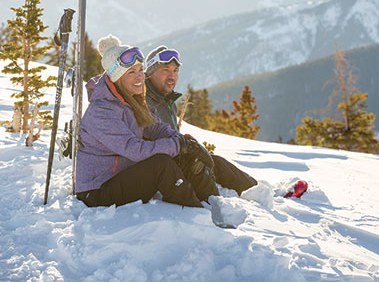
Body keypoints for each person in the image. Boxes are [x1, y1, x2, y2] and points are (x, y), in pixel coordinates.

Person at [75, 35, 218, 208]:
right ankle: (197, 215)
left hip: (122, 175)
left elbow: (155, 127)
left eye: (140, 70)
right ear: (117, 77)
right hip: (97, 190)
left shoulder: (128, 100)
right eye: (131, 72)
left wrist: (184, 142)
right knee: (161, 165)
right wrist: (178, 145)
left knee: (184, 158)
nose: (139, 77)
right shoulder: (102, 112)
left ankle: (215, 204)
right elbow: (135, 150)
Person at [144, 45, 258, 195]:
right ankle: (214, 208)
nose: (172, 76)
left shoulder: (166, 100)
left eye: (175, 70)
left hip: (175, 159)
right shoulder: (144, 101)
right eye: (165, 70)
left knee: (216, 162)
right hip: (161, 169)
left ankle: (259, 191)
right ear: (150, 73)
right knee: (198, 167)